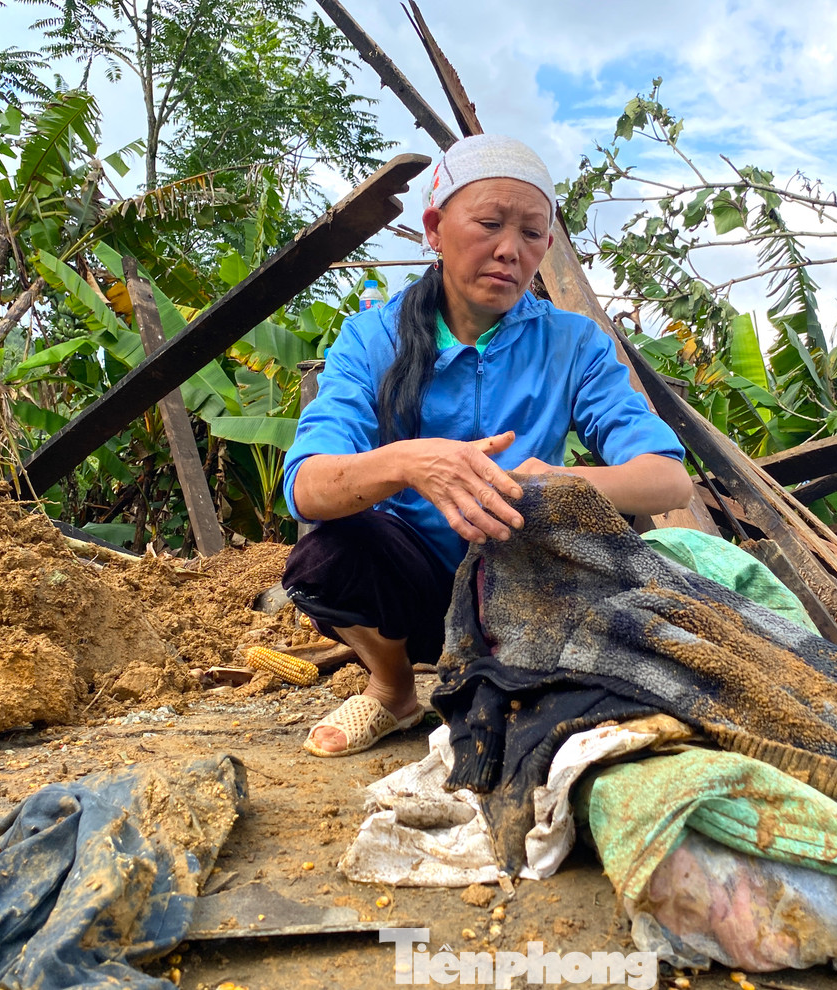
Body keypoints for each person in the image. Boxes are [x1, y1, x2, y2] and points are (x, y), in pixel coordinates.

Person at [280, 134, 693, 757]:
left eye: (531, 233)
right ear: (435, 229)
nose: (509, 250)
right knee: (328, 558)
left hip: (531, 587)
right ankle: (392, 688)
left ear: (546, 247)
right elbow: (307, 486)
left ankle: (511, 680)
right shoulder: (371, 339)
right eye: (490, 224)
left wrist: (559, 483)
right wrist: (410, 461)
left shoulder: (574, 343)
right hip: (414, 589)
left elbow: (667, 479)